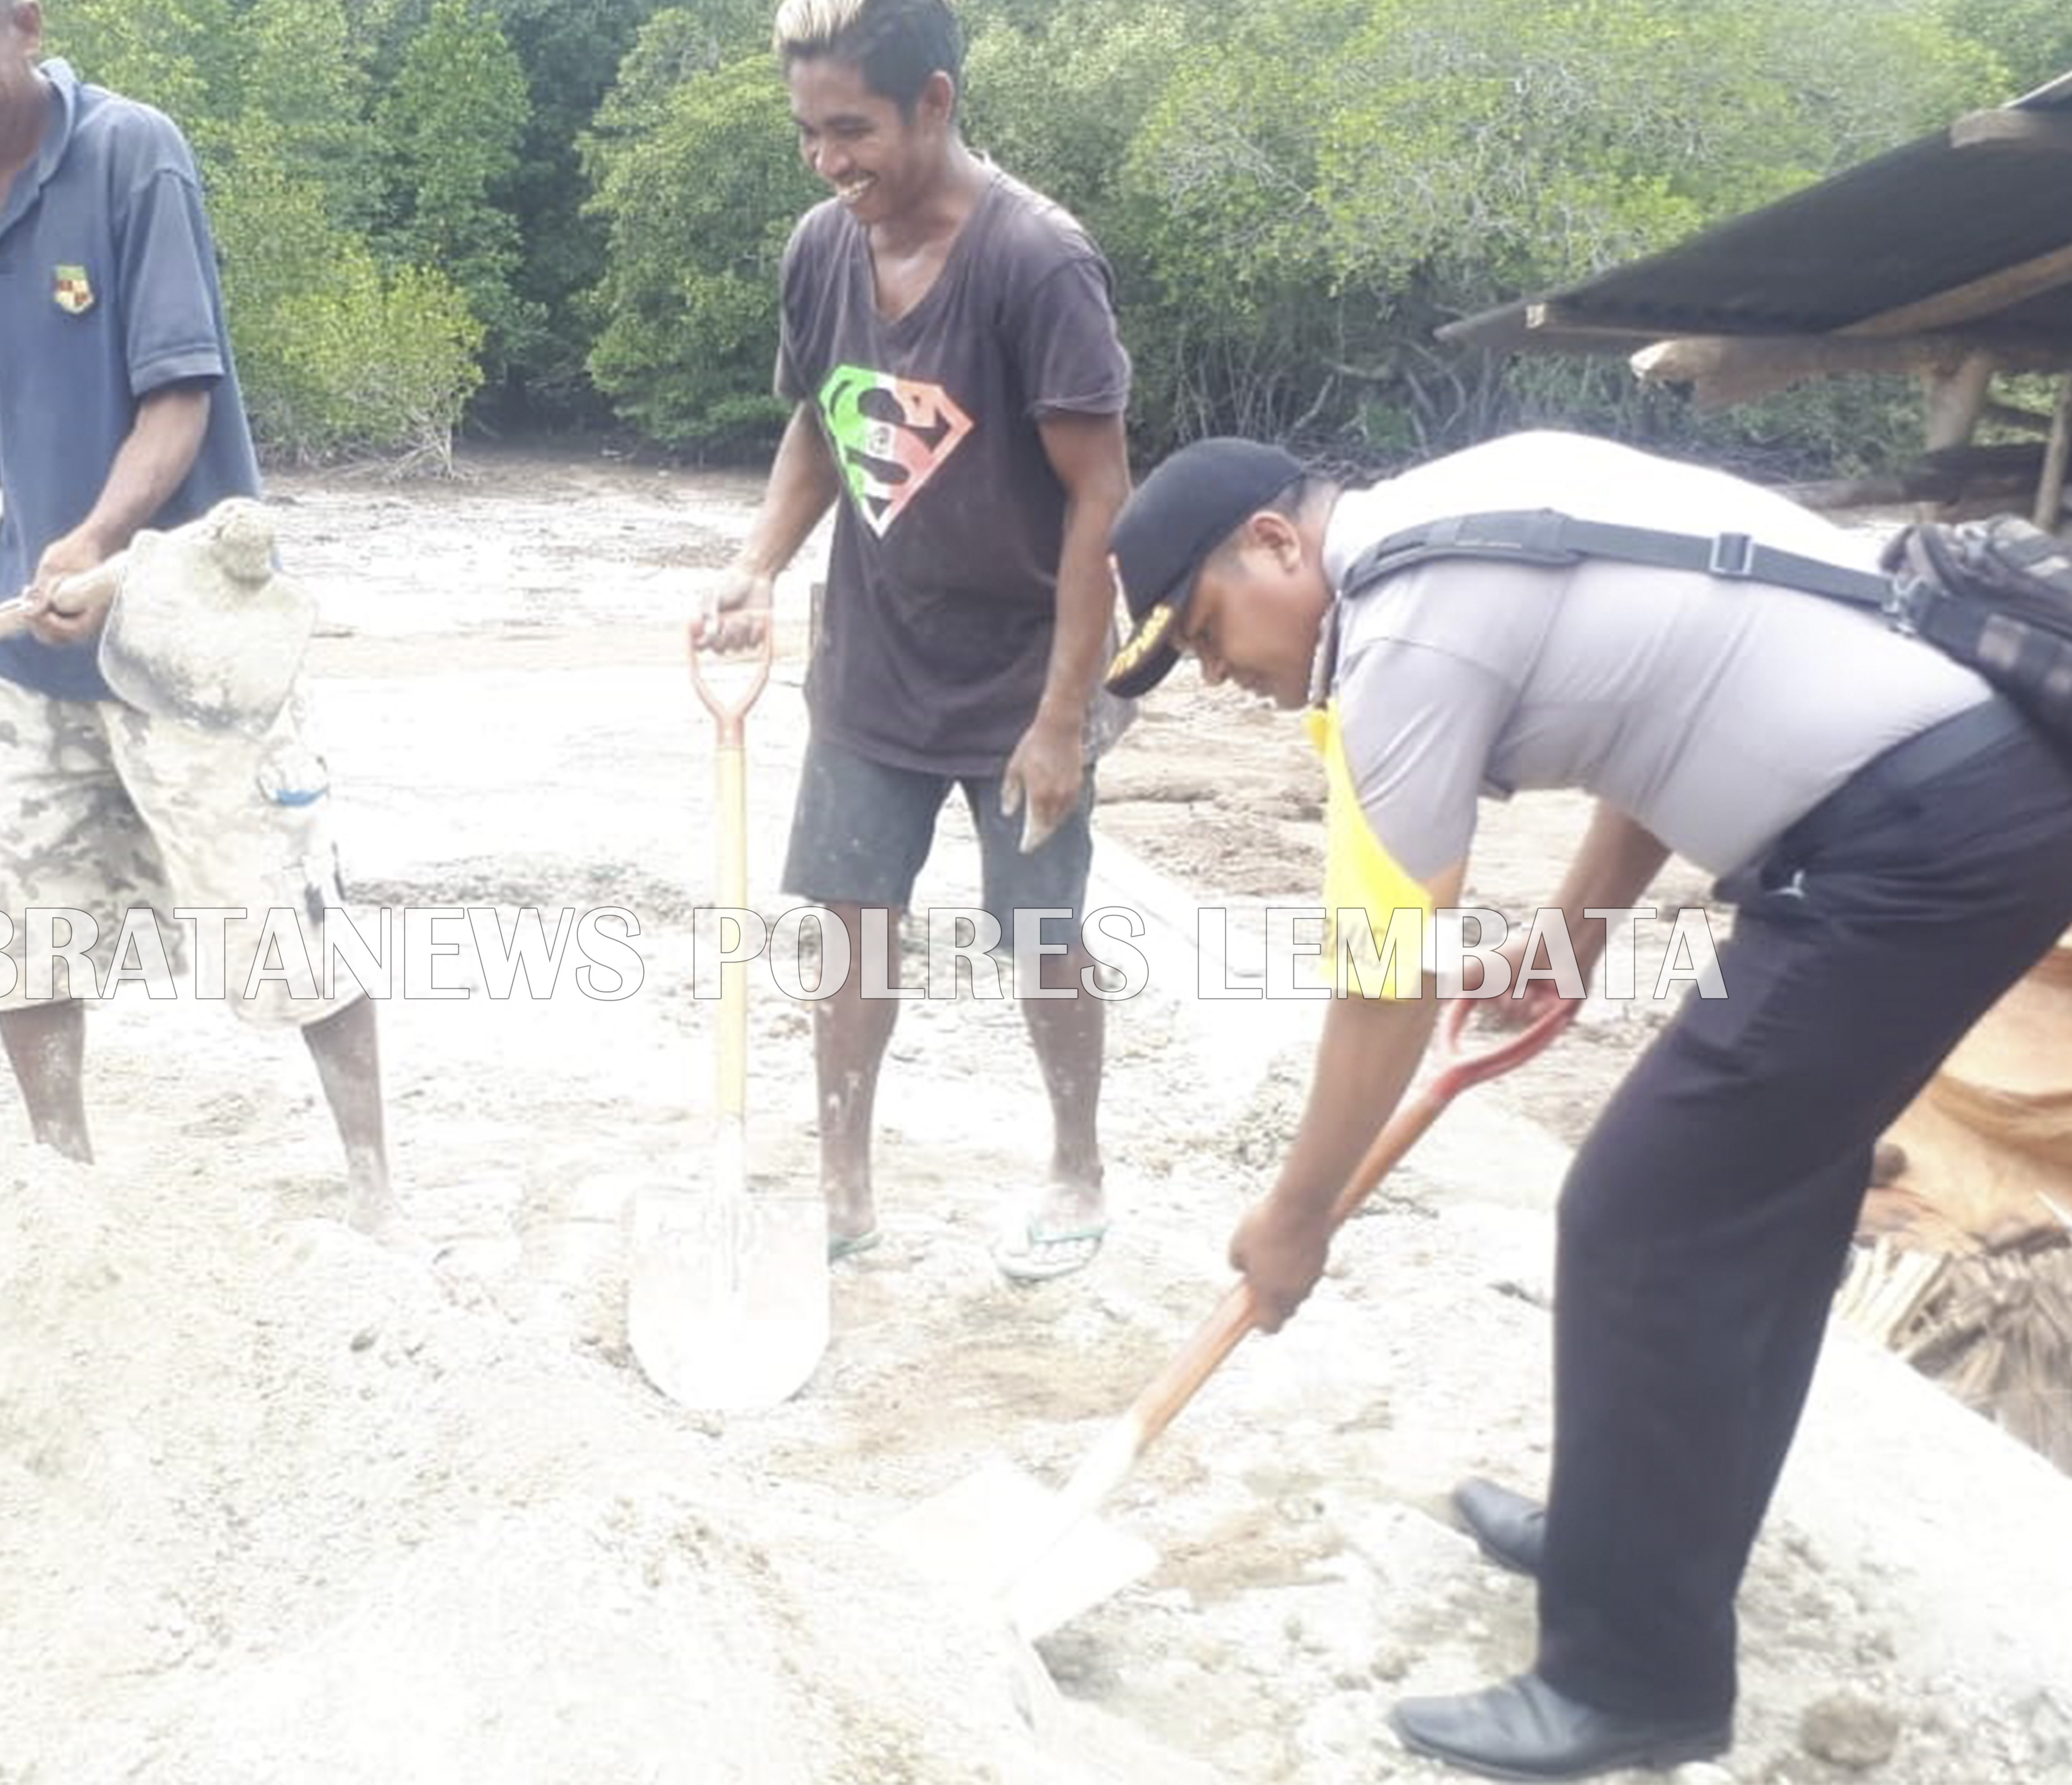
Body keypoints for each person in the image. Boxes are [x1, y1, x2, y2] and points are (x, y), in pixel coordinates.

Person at [1101, 427, 2072, 1778]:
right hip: (1951, 814)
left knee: (1641, 1216)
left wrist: (1298, 1213)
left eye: (1210, 635)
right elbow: (1657, 714)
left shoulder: (1403, 643)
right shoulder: (1465, 504)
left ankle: (1633, 1679)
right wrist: (1574, 940)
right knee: (1761, 1205)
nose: (1225, 679)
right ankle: (1642, 1544)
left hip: (1913, 845)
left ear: (1275, 543)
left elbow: (1384, 984)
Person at [0, 0, 391, 1226]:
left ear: (26, 27)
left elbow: (180, 395)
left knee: (279, 915)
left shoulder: (131, 152)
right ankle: (63, 1184)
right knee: (24, 923)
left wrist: (100, 544)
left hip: (189, 634)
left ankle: (372, 1188)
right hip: (28, 639)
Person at [695, 0, 1134, 1280]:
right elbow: (824, 425)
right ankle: (843, 1188)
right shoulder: (822, 251)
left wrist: (1065, 721)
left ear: (934, 103)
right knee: (850, 931)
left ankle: (1075, 1163)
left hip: (1023, 674)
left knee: (1041, 936)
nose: (831, 162)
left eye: (854, 130)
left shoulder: (1037, 262)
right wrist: (755, 566)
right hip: (875, 662)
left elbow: (1102, 500)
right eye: (808, 134)